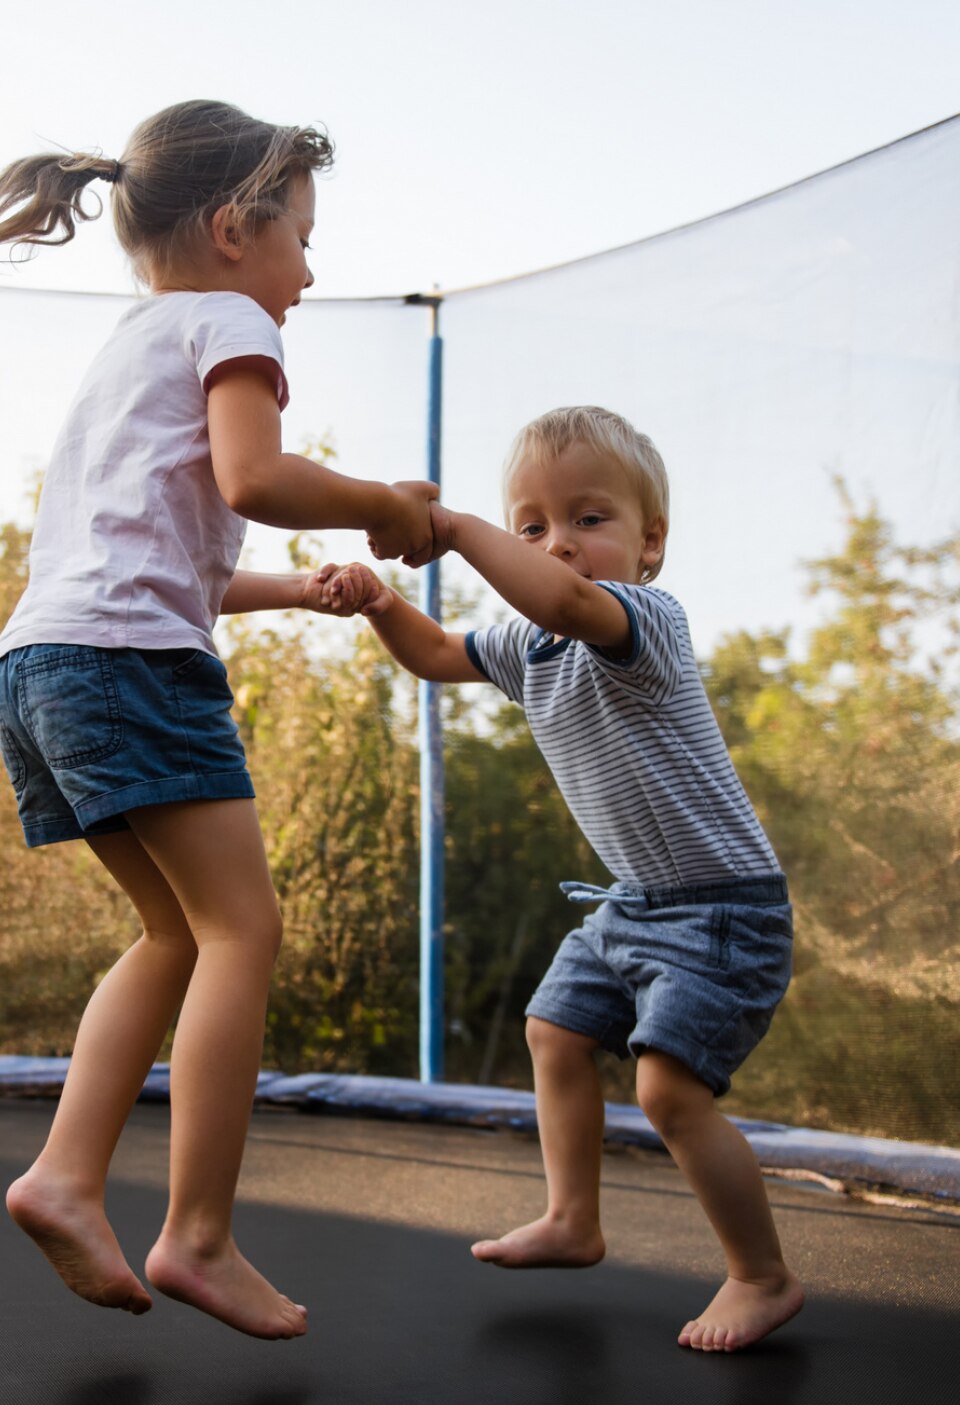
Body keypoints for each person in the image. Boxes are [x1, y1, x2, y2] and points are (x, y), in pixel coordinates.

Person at [0, 99, 436, 1340]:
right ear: (235, 229)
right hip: (127, 666)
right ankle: (199, 1234)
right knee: (243, 931)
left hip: (41, 662)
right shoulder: (230, 320)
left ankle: (65, 1178)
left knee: (174, 934)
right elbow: (255, 478)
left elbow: (183, 556)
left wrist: (301, 587)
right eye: (301, 237)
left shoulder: (128, 349)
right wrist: (384, 505)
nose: (309, 271)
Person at [324, 405, 804, 1353]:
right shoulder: (521, 646)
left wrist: (460, 528)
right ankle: (573, 1221)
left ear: (649, 542)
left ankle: (762, 1275)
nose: (558, 546)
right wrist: (384, 605)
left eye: (589, 520)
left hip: (723, 909)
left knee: (667, 1094)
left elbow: (563, 603)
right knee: (553, 1032)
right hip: (630, 903)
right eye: (532, 525)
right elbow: (434, 654)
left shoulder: (644, 620)